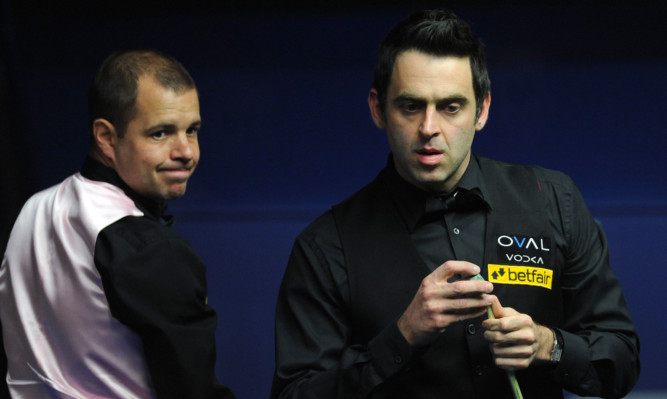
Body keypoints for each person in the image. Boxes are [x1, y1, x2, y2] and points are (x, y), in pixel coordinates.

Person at [271, 9, 640, 399]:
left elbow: (621, 360)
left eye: (451, 107)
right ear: (379, 109)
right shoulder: (326, 247)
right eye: (411, 106)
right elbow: (295, 394)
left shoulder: (553, 200)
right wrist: (402, 336)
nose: (429, 127)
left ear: (481, 110)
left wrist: (549, 346)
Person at [0, 50, 236, 399]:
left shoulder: (34, 208)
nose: (186, 151)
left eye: (193, 130)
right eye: (160, 133)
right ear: (106, 137)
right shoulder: (147, 247)